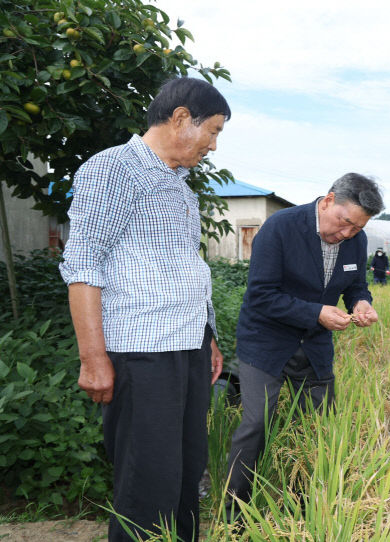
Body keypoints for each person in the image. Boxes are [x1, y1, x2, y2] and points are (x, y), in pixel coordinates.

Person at [59, 77, 231, 542]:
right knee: (147, 480)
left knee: (187, 470)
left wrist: (208, 337)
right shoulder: (112, 169)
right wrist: (93, 357)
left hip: (187, 346)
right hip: (142, 351)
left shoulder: (179, 184)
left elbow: (184, 265)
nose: (214, 145)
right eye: (212, 131)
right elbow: (83, 263)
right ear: (180, 119)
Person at [225, 172, 384, 516]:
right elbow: (262, 296)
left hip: (314, 347)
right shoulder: (280, 228)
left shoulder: (357, 239)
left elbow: (355, 284)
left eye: (356, 228)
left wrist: (360, 304)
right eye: (343, 223)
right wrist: (316, 314)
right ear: (328, 200)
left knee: (318, 427)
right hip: (266, 342)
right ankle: (235, 512)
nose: (346, 234)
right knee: (256, 424)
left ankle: (303, 509)